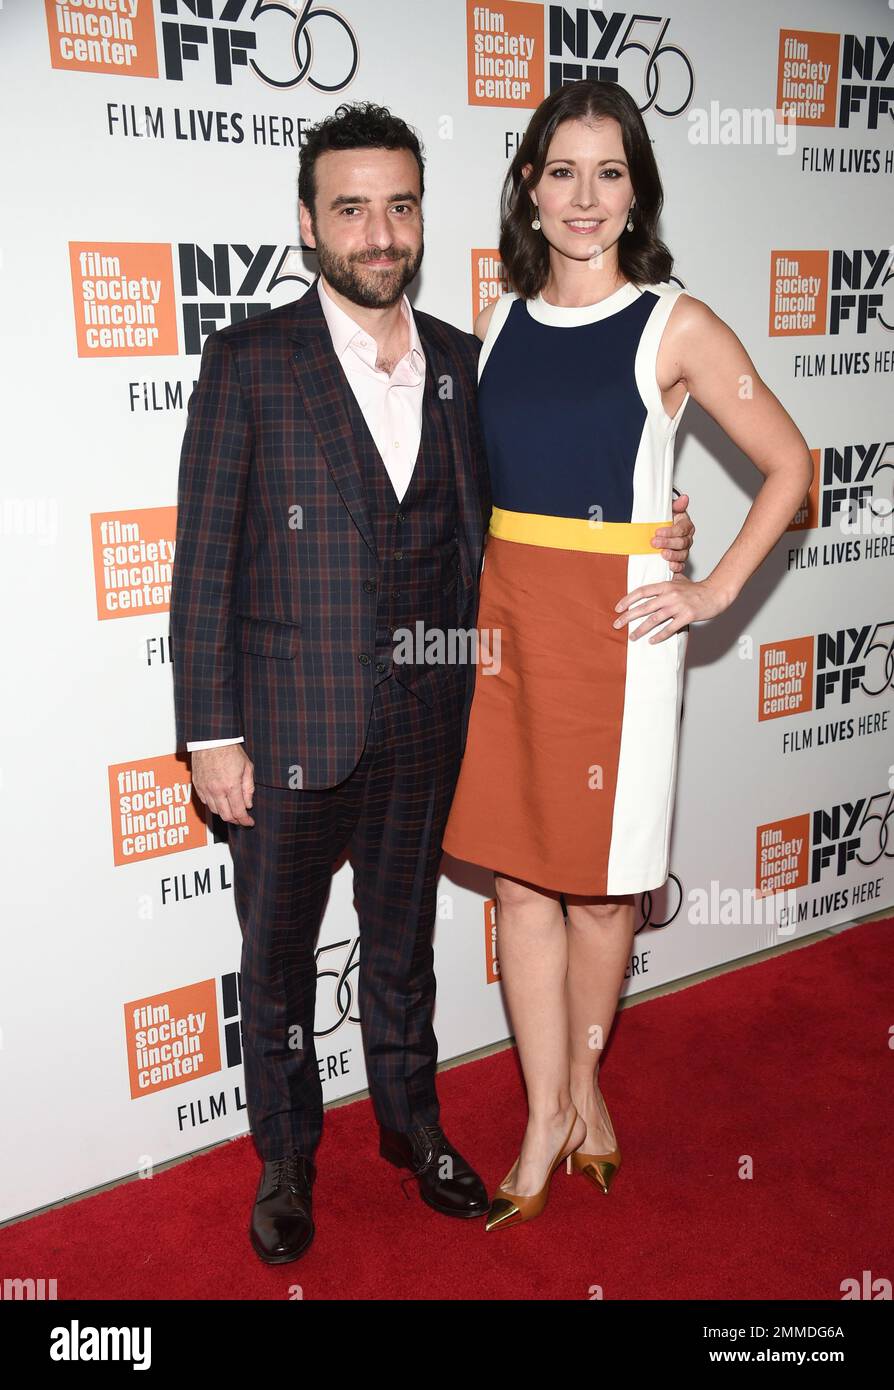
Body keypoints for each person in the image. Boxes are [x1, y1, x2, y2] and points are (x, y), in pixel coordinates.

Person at [170, 101, 694, 1264]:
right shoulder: (250, 362)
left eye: (399, 204)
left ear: (421, 215)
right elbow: (202, 558)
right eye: (351, 207)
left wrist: (659, 520)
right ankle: (288, 1162)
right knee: (278, 961)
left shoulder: (474, 360)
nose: (379, 230)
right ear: (309, 223)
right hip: (288, 728)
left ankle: (416, 1133)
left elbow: (523, 525)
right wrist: (211, 732)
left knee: (402, 955)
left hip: (430, 723)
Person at [441, 80, 813, 1233]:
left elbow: (792, 465)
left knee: (604, 897)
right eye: (562, 171)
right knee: (518, 882)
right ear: (529, 187)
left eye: (610, 172)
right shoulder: (496, 322)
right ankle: (552, 1112)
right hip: (508, 626)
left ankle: (577, 1094)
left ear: (638, 188)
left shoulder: (676, 323)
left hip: (618, 637)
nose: (585, 197)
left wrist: (705, 586)